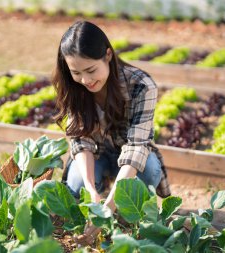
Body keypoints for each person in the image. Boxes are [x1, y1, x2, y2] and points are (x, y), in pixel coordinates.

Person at [52, 20, 171, 245]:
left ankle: (125, 206)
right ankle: (97, 192)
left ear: (107, 55)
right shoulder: (74, 86)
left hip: (130, 156)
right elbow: (81, 140)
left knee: (149, 175)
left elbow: (137, 148)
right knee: (77, 184)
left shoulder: (141, 85)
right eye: (76, 72)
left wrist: (108, 209)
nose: (85, 80)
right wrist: (91, 190)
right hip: (96, 153)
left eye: (91, 70)